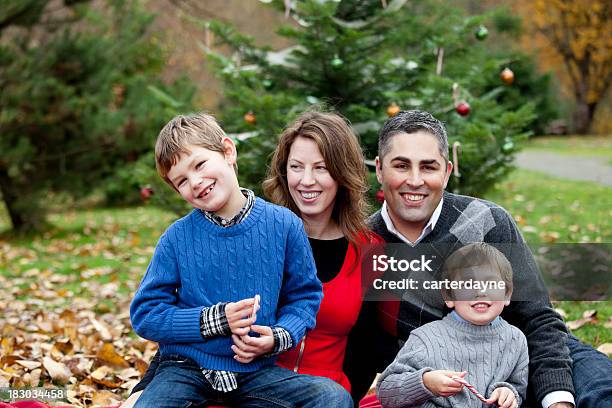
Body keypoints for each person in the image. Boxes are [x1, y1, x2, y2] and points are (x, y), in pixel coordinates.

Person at [348, 109, 612, 408]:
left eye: (429, 167)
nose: (415, 180)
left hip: (523, 353)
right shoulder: (364, 245)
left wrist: (557, 398)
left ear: (446, 172)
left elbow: (537, 318)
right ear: (380, 169)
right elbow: (359, 347)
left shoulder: (488, 220)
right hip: (454, 385)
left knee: (601, 389)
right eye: (401, 165)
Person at [128, 112, 352, 408]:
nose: (196, 182)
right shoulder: (176, 238)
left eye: (200, 164)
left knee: (332, 397)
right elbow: (146, 314)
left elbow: (305, 297)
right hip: (186, 369)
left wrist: (278, 336)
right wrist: (215, 320)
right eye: (181, 180)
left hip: (256, 372)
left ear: (228, 151)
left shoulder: (284, 225)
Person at [262, 111, 382, 393]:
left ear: (342, 173)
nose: (306, 180)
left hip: (326, 393)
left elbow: (367, 349)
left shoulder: (371, 252)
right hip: (255, 387)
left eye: (321, 168)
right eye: (296, 167)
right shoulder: (260, 236)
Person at [377, 243, 529, 408]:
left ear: (507, 294)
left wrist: (509, 393)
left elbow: (518, 388)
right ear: (449, 296)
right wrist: (425, 383)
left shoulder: (515, 340)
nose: (480, 292)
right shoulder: (426, 338)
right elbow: (386, 393)